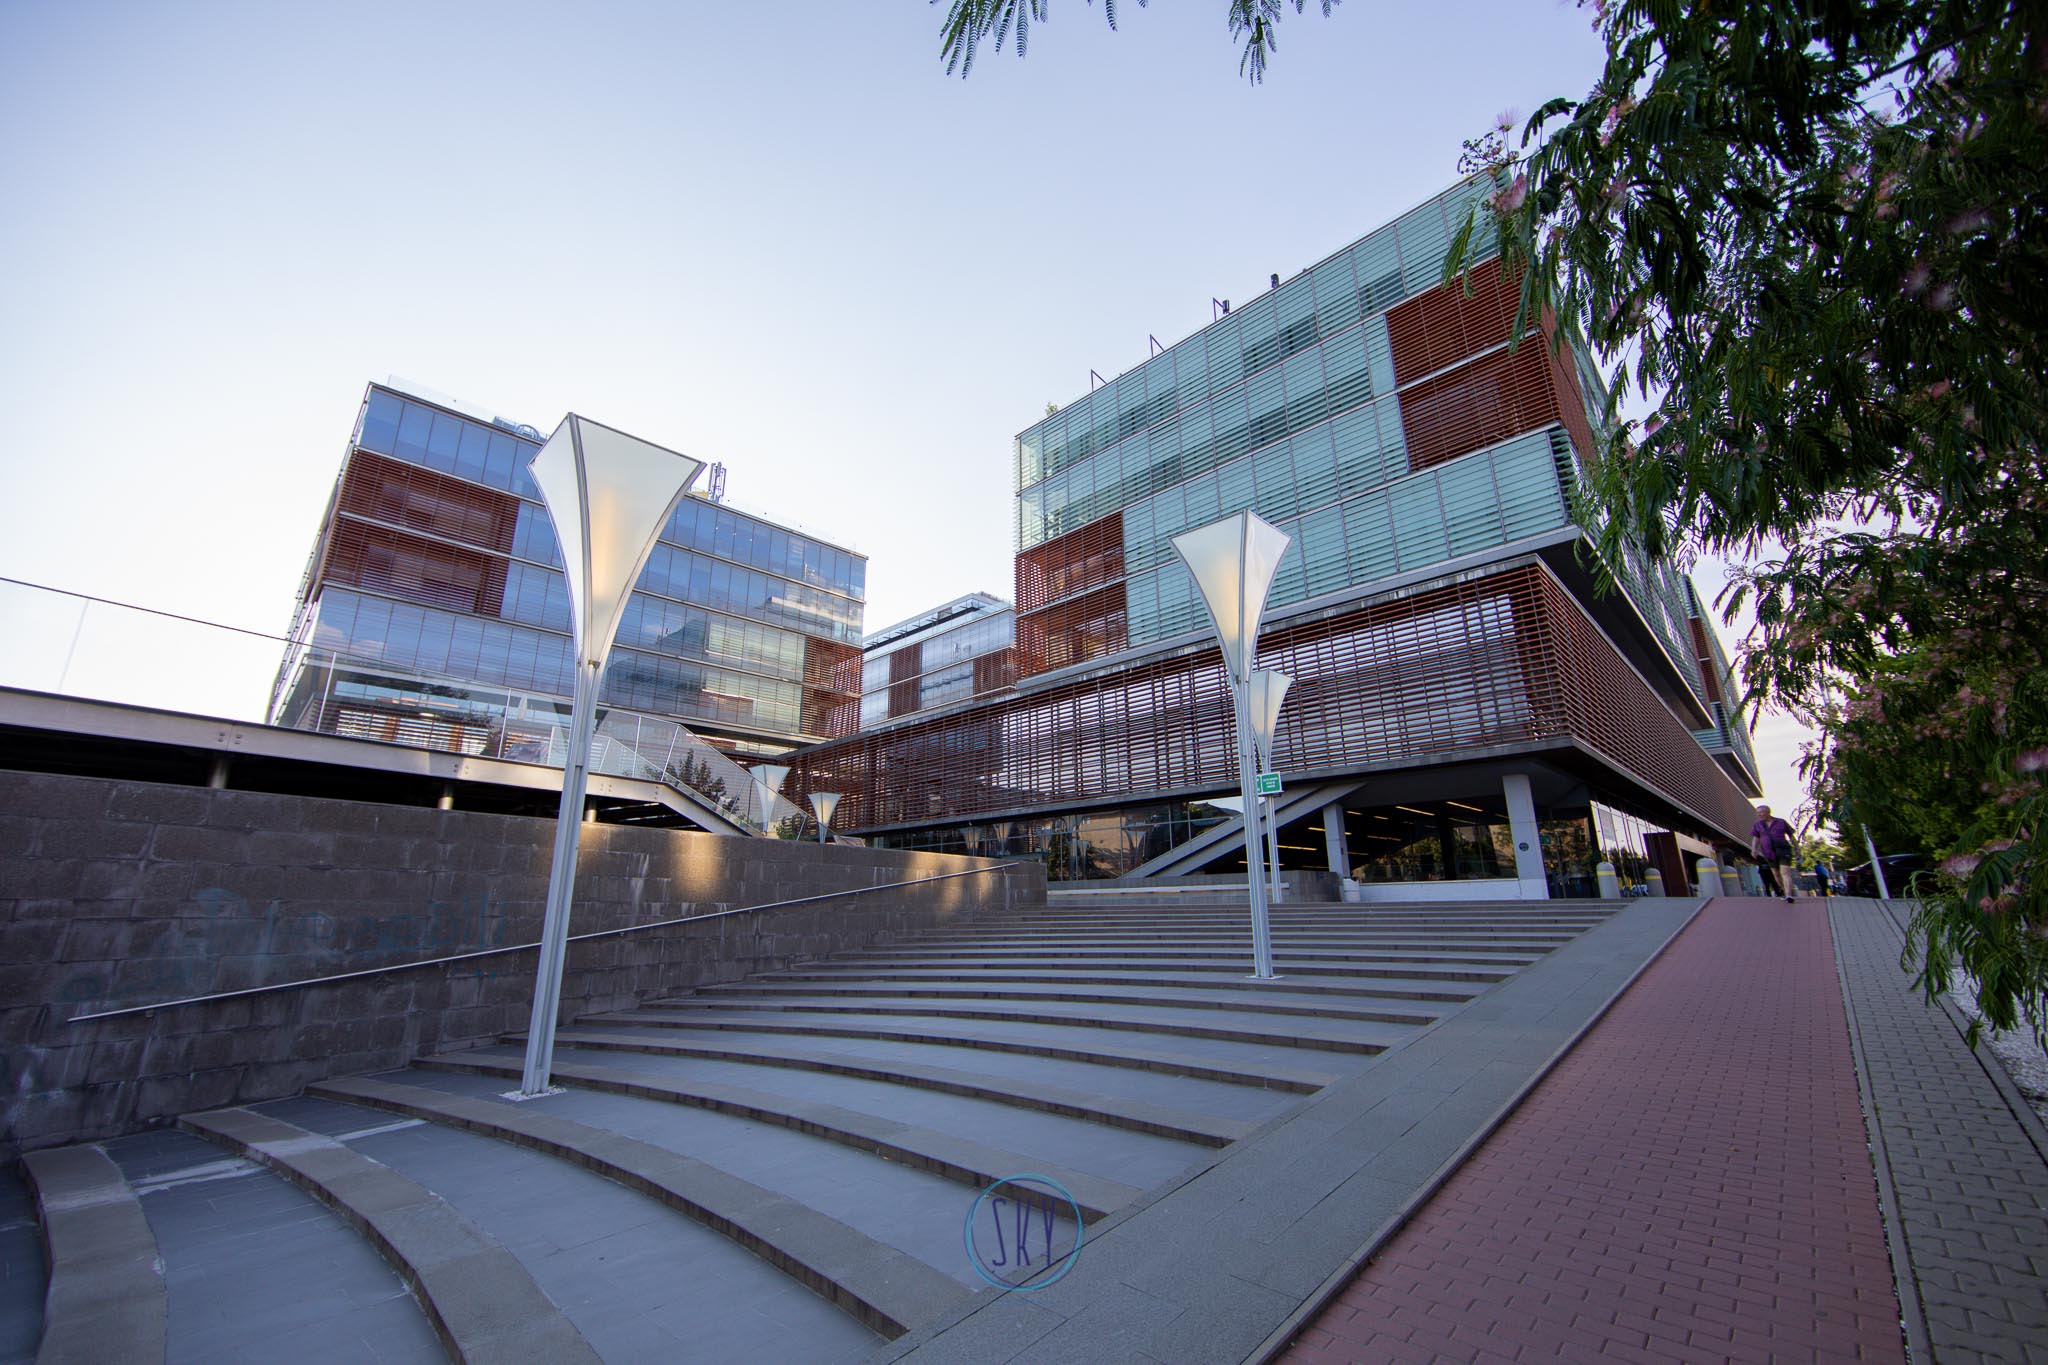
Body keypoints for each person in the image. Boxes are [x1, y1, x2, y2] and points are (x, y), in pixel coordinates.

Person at [1750, 805, 1797, 903]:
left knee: (1785, 873)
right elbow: (1756, 838)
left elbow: (1791, 836)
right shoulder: (1758, 825)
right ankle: (1785, 892)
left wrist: (1797, 849)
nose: (1759, 815)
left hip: (1783, 850)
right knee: (1776, 875)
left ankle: (1789, 895)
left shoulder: (1781, 822)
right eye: (1758, 813)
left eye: (1761, 812)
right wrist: (1753, 849)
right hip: (1768, 852)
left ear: (1768, 812)